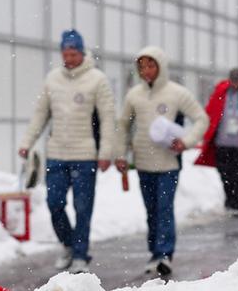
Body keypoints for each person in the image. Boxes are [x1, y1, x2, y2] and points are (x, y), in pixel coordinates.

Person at [19, 29, 114, 273]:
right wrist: (27, 142)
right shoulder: (52, 79)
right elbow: (40, 114)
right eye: (65, 53)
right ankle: (68, 244)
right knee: (54, 203)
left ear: (82, 53)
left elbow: (107, 118)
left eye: (73, 53)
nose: (69, 58)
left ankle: (81, 255)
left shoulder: (97, 79)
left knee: (83, 207)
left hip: (85, 155)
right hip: (57, 153)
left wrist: (105, 152)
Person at [115, 45, 208, 278]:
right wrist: (120, 154)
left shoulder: (177, 93)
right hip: (143, 163)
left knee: (164, 208)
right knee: (151, 210)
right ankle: (154, 253)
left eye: (150, 65)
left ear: (160, 66)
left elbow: (201, 119)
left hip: (168, 164)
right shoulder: (134, 95)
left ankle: (165, 254)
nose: (146, 70)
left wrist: (186, 141)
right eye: (142, 66)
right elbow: (123, 125)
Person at [194, 67, 238, 218]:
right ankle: (229, 200)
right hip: (222, 142)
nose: (235, 84)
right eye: (233, 80)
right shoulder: (220, 94)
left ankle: (237, 204)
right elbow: (210, 114)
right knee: (224, 173)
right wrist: (205, 134)